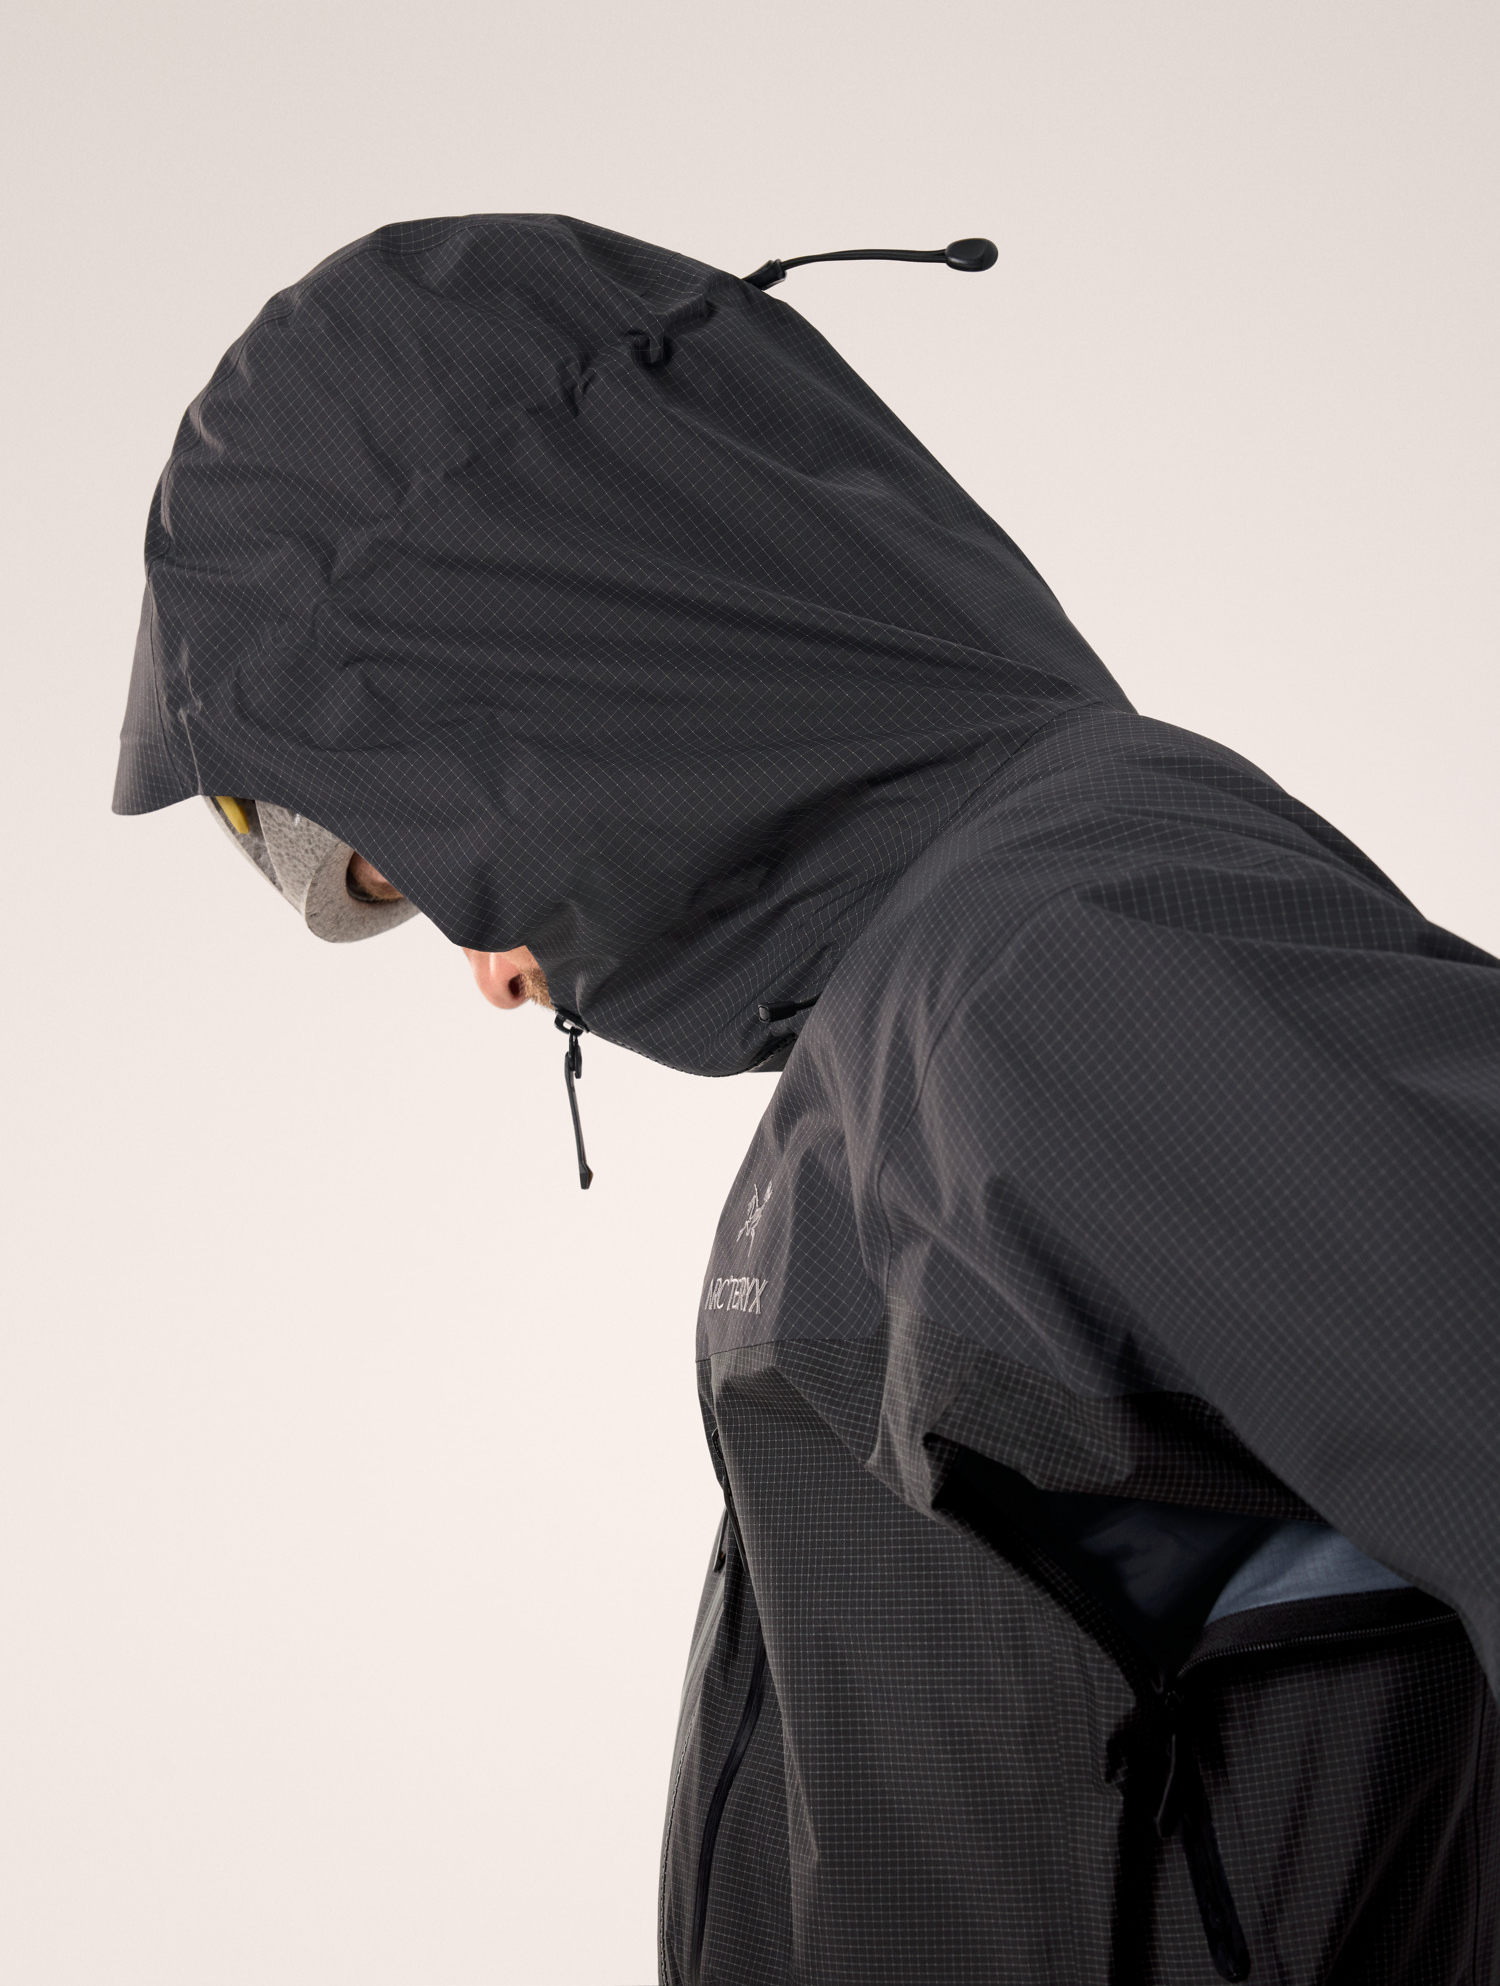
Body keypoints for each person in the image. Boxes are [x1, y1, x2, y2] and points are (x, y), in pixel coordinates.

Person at [115, 215, 1499, 1985]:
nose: (487, 969)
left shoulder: (1062, 960)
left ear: (552, 692)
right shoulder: (900, 1054)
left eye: (431, 859)